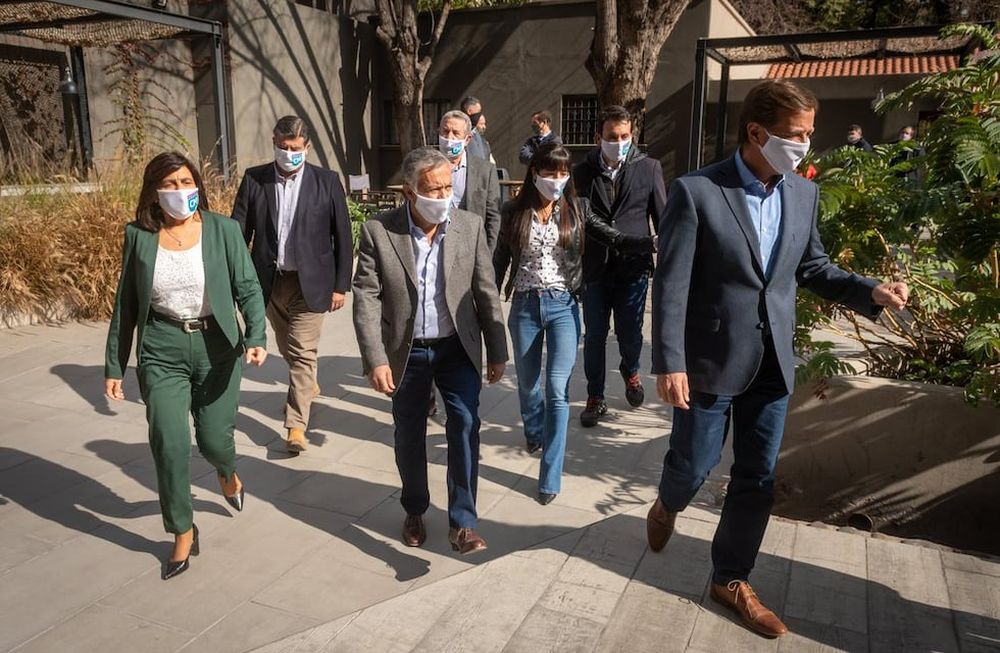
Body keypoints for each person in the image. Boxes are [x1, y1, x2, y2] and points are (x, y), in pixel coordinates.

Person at [647, 80, 909, 637]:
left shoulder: (802, 193)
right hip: (710, 360)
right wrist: (669, 361)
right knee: (693, 466)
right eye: (797, 135)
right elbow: (671, 284)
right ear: (756, 133)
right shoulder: (697, 192)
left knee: (756, 477)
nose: (806, 144)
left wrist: (869, 292)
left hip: (772, 364)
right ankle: (669, 502)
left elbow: (812, 267)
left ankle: (730, 578)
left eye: (810, 134)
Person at [104, 152, 268, 580]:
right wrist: (114, 365)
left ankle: (227, 472)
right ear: (155, 193)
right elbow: (127, 303)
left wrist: (256, 335)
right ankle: (181, 530)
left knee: (215, 440)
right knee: (169, 441)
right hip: (162, 345)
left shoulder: (224, 230)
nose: (182, 191)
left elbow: (248, 286)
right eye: (171, 184)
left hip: (217, 345)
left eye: (187, 182)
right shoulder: (138, 235)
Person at [352, 147, 508, 555]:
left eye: (447, 186)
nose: (443, 196)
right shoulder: (379, 231)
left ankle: (463, 524)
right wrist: (376, 358)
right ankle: (415, 507)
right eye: (433, 189)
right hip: (408, 352)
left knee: (464, 425)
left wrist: (497, 349)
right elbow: (366, 296)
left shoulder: (469, 227)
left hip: (457, 347)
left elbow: (485, 291)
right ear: (409, 192)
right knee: (409, 433)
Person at [494, 142, 643, 504]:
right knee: (528, 384)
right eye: (550, 173)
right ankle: (533, 427)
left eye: (563, 173)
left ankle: (549, 476)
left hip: (563, 306)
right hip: (526, 308)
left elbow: (613, 236)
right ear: (535, 173)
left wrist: (650, 243)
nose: (557, 180)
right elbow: (497, 263)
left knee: (557, 391)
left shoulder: (577, 208)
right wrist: (483, 310)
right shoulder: (513, 210)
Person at [232, 116, 353, 454]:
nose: (289, 154)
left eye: (296, 149)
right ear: (274, 142)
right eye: (283, 148)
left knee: (301, 353)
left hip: (310, 283)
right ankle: (308, 385)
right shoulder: (255, 179)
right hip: (269, 283)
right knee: (287, 347)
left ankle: (296, 427)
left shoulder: (326, 182)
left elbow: (343, 236)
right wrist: (231, 273)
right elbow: (238, 231)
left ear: (307, 147)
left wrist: (341, 285)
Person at [573, 105, 665, 427]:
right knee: (595, 336)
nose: (619, 141)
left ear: (632, 135)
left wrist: (666, 259)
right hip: (595, 269)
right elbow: (580, 218)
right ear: (599, 137)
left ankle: (631, 369)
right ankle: (595, 396)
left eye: (625, 136)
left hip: (634, 269)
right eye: (612, 137)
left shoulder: (649, 168)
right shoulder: (582, 172)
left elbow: (662, 219)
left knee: (630, 334)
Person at [437, 110, 501, 250]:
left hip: (469, 248)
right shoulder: (426, 167)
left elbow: (493, 217)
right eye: (445, 131)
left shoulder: (485, 171)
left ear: (467, 139)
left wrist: (487, 256)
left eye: (456, 133)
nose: (450, 138)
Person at [460, 96, 494, 163]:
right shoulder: (460, 131)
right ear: (469, 111)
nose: (479, 114)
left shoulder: (476, 133)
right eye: (478, 112)